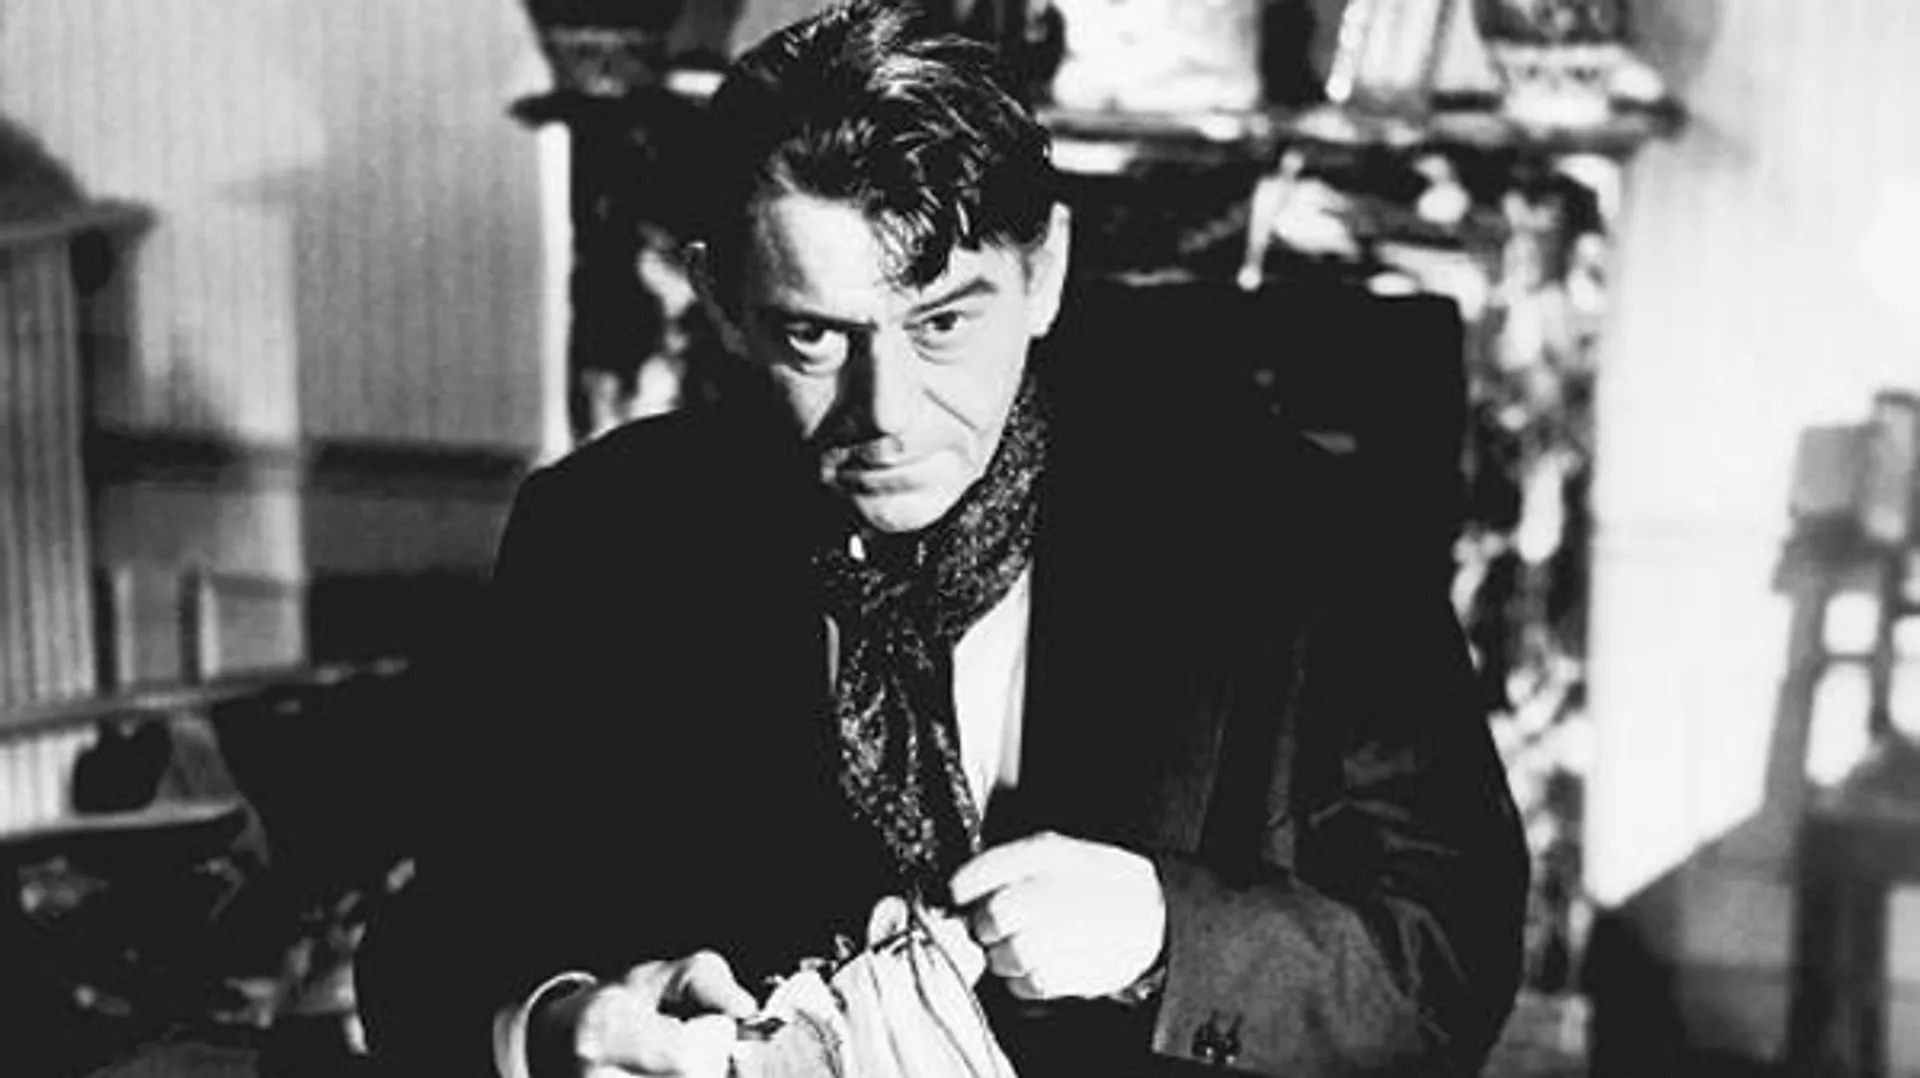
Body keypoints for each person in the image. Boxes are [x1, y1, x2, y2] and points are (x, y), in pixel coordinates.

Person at [354, 2, 1529, 1076]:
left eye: (944, 324)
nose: (888, 413)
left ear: (1044, 272)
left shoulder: (1294, 530)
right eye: (814, 337)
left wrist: (1164, 933)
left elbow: (1449, 962)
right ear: (721, 303)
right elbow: (430, 950)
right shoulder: (606, 533)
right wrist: (559, 1023)